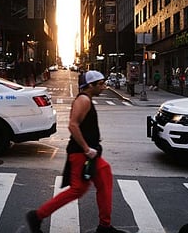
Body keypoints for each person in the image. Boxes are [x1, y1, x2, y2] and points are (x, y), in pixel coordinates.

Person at [26, 70, 126, 233]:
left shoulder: (87, 99)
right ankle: (37, 216)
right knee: (77, 189)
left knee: (104, 176)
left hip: (90, 154)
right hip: (81, 154)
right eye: (100, 84)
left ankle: (105, 226)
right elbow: (72, 125)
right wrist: (87, 149)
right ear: (90, 85)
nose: (103, 87)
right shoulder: (83, 100)